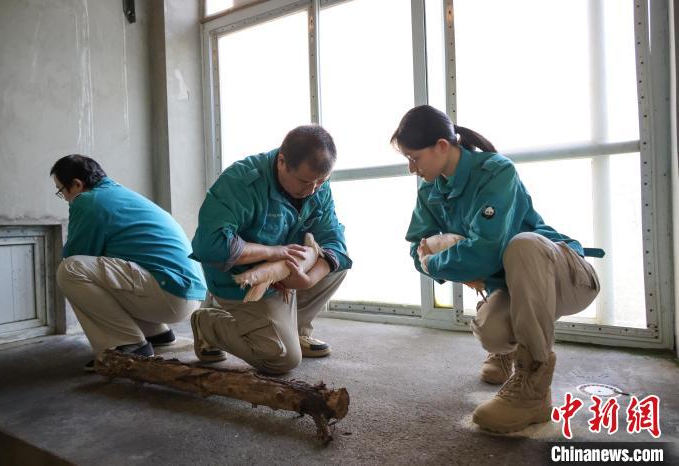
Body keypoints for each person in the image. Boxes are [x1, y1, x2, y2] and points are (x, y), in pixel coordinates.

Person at [391, 105, 602, 433]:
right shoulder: (429, 190)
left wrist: (440, 257)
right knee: (492, 330)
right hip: (510, 285)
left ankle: (533, 387)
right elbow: (415, 251)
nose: (411, 168)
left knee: (522, 245)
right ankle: (507, 350)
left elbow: (485, 250)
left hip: (567, 276)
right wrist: (451, 256)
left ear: (442, 146)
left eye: (414, 158)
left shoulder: (496, 171)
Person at [189, 125, 351, 375]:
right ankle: (208, 322)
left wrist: (307, 280)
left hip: (285, 274)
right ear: (282, 161)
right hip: (240, 280)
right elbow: (210, 245)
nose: (313, 191)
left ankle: (296, 329)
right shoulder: (241, 182)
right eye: (306, 181)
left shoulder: (317, 185)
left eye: (322, 182)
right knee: (282, 359)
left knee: (333, 265)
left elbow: (334, 241)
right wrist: (274, 252)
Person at [51, 155, 207, 371]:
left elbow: (74, 255)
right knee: (108, 268)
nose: (65, 198)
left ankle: (128, 344)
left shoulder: (88, 201)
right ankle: (156, 333)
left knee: (70, 271)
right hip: (184, 294)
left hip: (170, 294)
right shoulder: (118, 194)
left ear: (77, 184)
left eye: (61, 191)